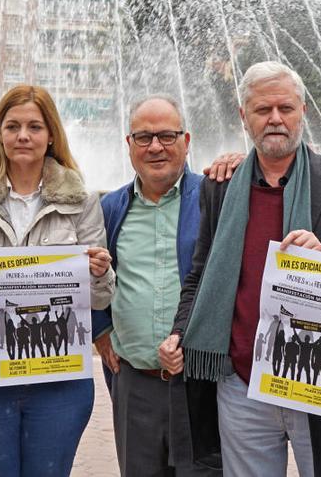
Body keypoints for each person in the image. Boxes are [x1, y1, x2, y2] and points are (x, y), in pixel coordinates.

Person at [158, 61, 321, 477]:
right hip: (241, 384)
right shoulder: (220, 186)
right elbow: (201, 273)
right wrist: (179, 332)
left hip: (319, 381)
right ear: (244, 117)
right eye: (263, 110)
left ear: (304, 111)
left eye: (286, 108)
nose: (275, 119)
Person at [0, 84, 115, 477]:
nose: (23, 136)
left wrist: (100, 271)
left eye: (35, 127)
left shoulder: (82, 201)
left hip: (60, 377)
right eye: (13, 126)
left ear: (51, 134)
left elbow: (100, 299)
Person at [91, 94, 223, 475]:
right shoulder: (112, 208)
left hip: (201, 384)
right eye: (144, 137)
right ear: (128, 144)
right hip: (135, 383)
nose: (155, 147)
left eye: (167, 136)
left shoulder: (214, 198)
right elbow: (94, 273)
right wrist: (101, 331)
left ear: (187, 140)